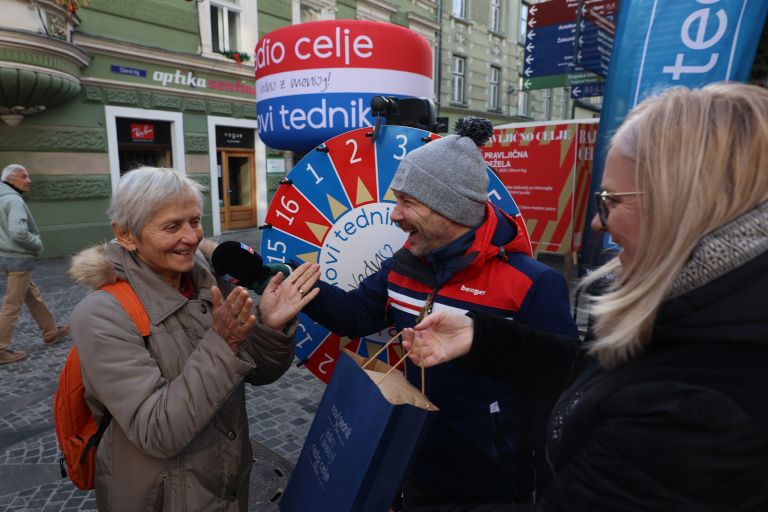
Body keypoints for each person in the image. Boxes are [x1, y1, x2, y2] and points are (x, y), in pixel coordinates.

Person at [401, 83, 768, 511]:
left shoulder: (696, 409)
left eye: (611, 200)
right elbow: (595, 373)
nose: (597, 222)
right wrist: (483, 337)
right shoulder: (698, 305)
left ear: (683, 204)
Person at [302, 117, 578, 508]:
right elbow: (357, 315)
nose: (394, 215)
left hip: (492, 487)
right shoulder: (404, 264)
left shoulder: (532, 283)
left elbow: (562, 388)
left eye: (407, 202)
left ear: (449, 209)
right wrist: (299, 288)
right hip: (410, 460)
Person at [68, 167, 321, 511]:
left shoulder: (207, 279)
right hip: (159, 498)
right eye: (172, 226)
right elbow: (157, 431)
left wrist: (269, 326)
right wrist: (224, 342)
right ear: (126, 235)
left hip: (228, 484)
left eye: (194, 221)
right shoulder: (102, 314)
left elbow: (259, 372)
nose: (192, 237)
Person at [0, 164, 69, 365]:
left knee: (33, 297)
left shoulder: (3, 197)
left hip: (7, 256)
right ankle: (1, 348)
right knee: (12, 305)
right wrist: (37, 243)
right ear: (10, 179)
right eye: (23, 176)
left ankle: (51, 333)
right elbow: (18, 232)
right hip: (18, 258)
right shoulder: (13, 200)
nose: (28, 180)